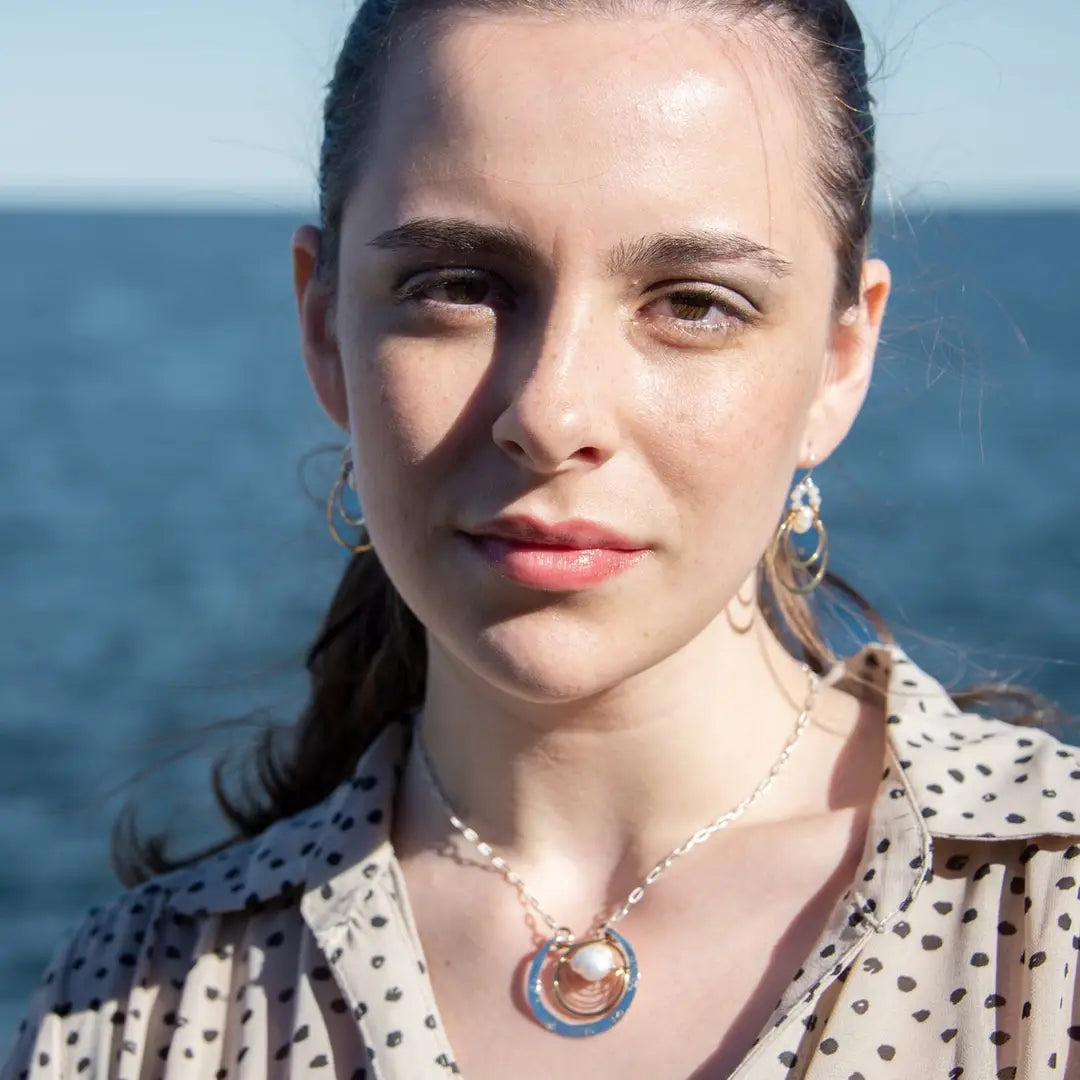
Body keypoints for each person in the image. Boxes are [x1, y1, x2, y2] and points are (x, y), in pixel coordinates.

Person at [4, 0, 1079, 1077]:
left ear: (842, 360)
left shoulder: (1050, 927)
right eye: (458, 288)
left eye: (694, 304)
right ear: (324, 327)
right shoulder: (135, 1013)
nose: (552, 415)